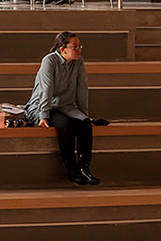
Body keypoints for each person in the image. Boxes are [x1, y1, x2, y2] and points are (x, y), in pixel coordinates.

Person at [26, 31, 107, 186]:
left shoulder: (79, 61)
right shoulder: (49, 61)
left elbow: (82, 88)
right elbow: (46, 89)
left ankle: (84, 168)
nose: (79, 49)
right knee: (65, 125)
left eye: (79, 46)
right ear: (63, 50)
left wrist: (84, 114)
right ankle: (71, 170)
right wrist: (43, 116)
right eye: (74, 46)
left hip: (65, 106)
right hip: (44, 106)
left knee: (84, 124)